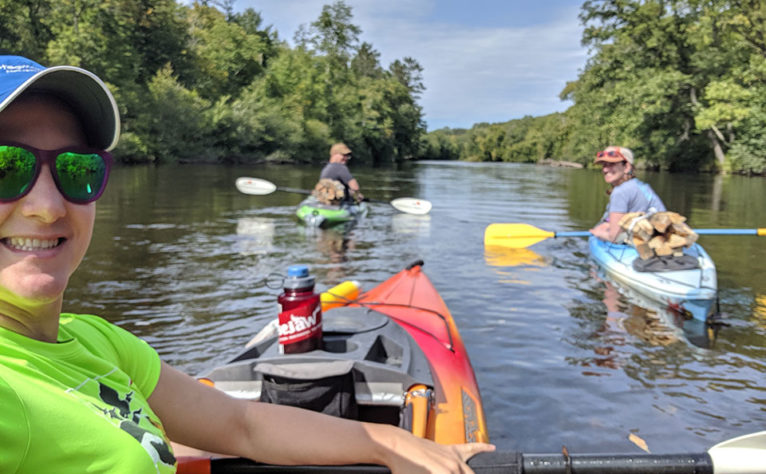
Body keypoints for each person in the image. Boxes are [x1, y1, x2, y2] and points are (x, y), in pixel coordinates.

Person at [0, 55, 493, 473]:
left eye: (77, 170)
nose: (47, 206)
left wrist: (389, 443)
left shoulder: (101, 343)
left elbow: (244, 425)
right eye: (6, 167)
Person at [589, 146, 666, 242]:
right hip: (658, 238)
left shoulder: (619, 192)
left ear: (626, 167)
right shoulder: (643, 186)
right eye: (604, 165)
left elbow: (614, 237)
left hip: (638, 247)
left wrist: (597, 233)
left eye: (611, 164)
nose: (605, 170)